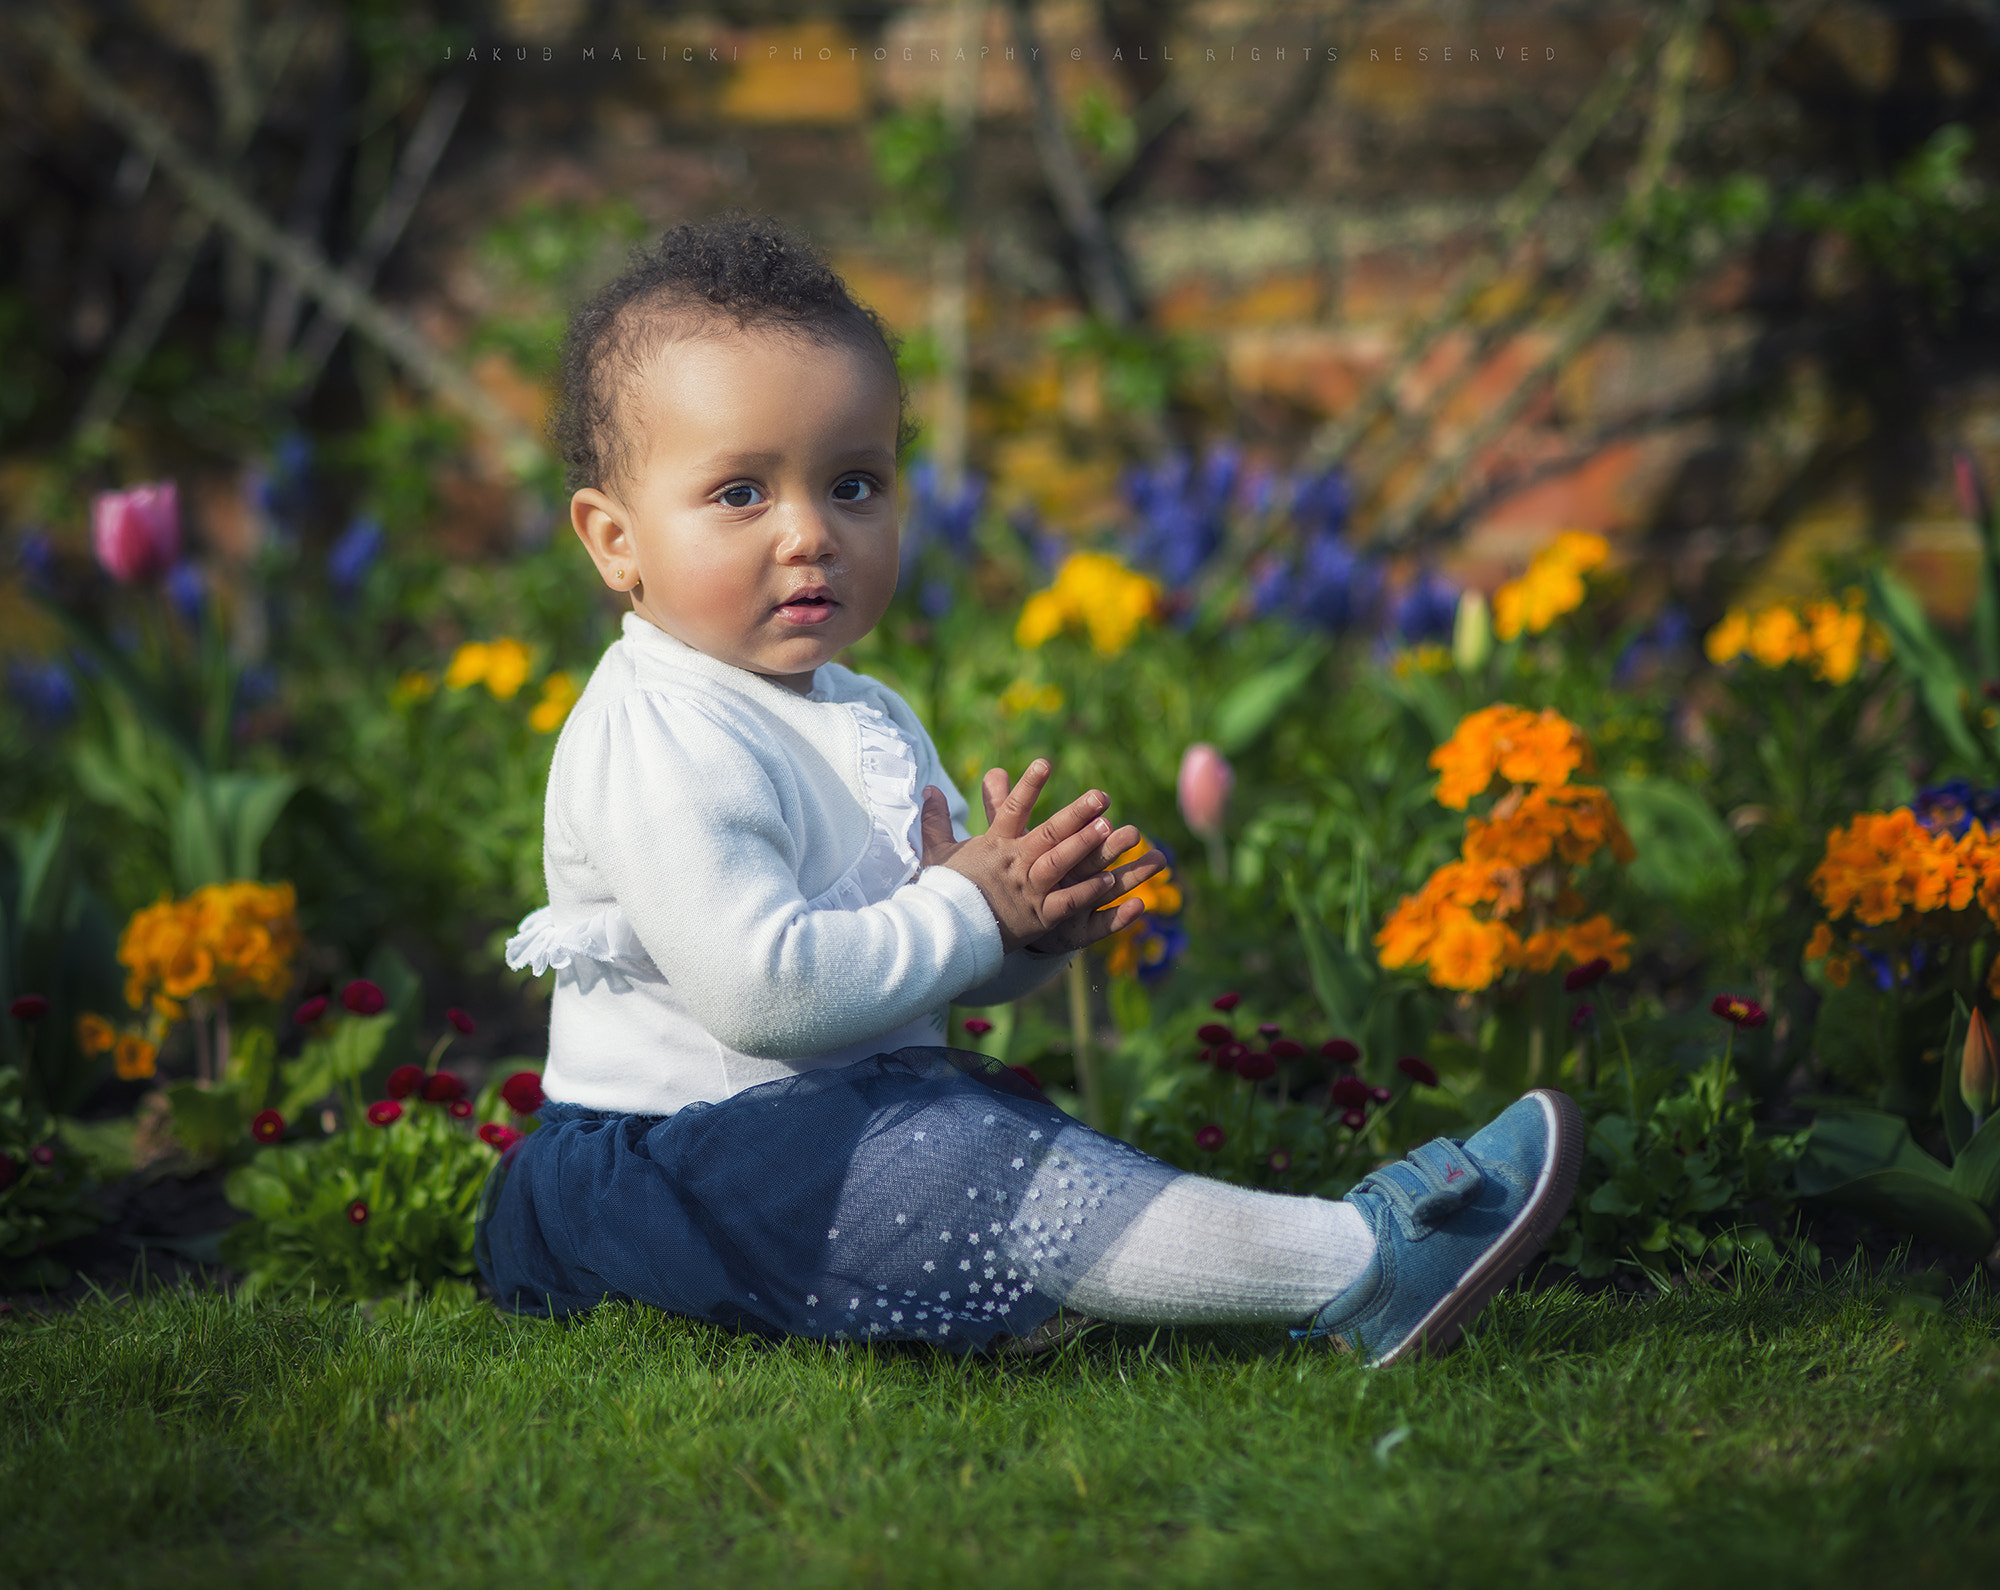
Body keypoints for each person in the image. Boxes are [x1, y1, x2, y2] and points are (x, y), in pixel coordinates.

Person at [475, 213, 1582, 1365]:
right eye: (740, 494)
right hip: (673, 1174)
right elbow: (764, 998)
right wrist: (966, 906)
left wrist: (1026, 927)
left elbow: (922, 959)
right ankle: (1361, 1259)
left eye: (852, 484)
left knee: (980, 1150)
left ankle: (1283, 1262)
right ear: (614, 539)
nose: (810, 533)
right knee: (965, 1161)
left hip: (824, 1142)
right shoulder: (655, 729)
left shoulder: (863, 712)